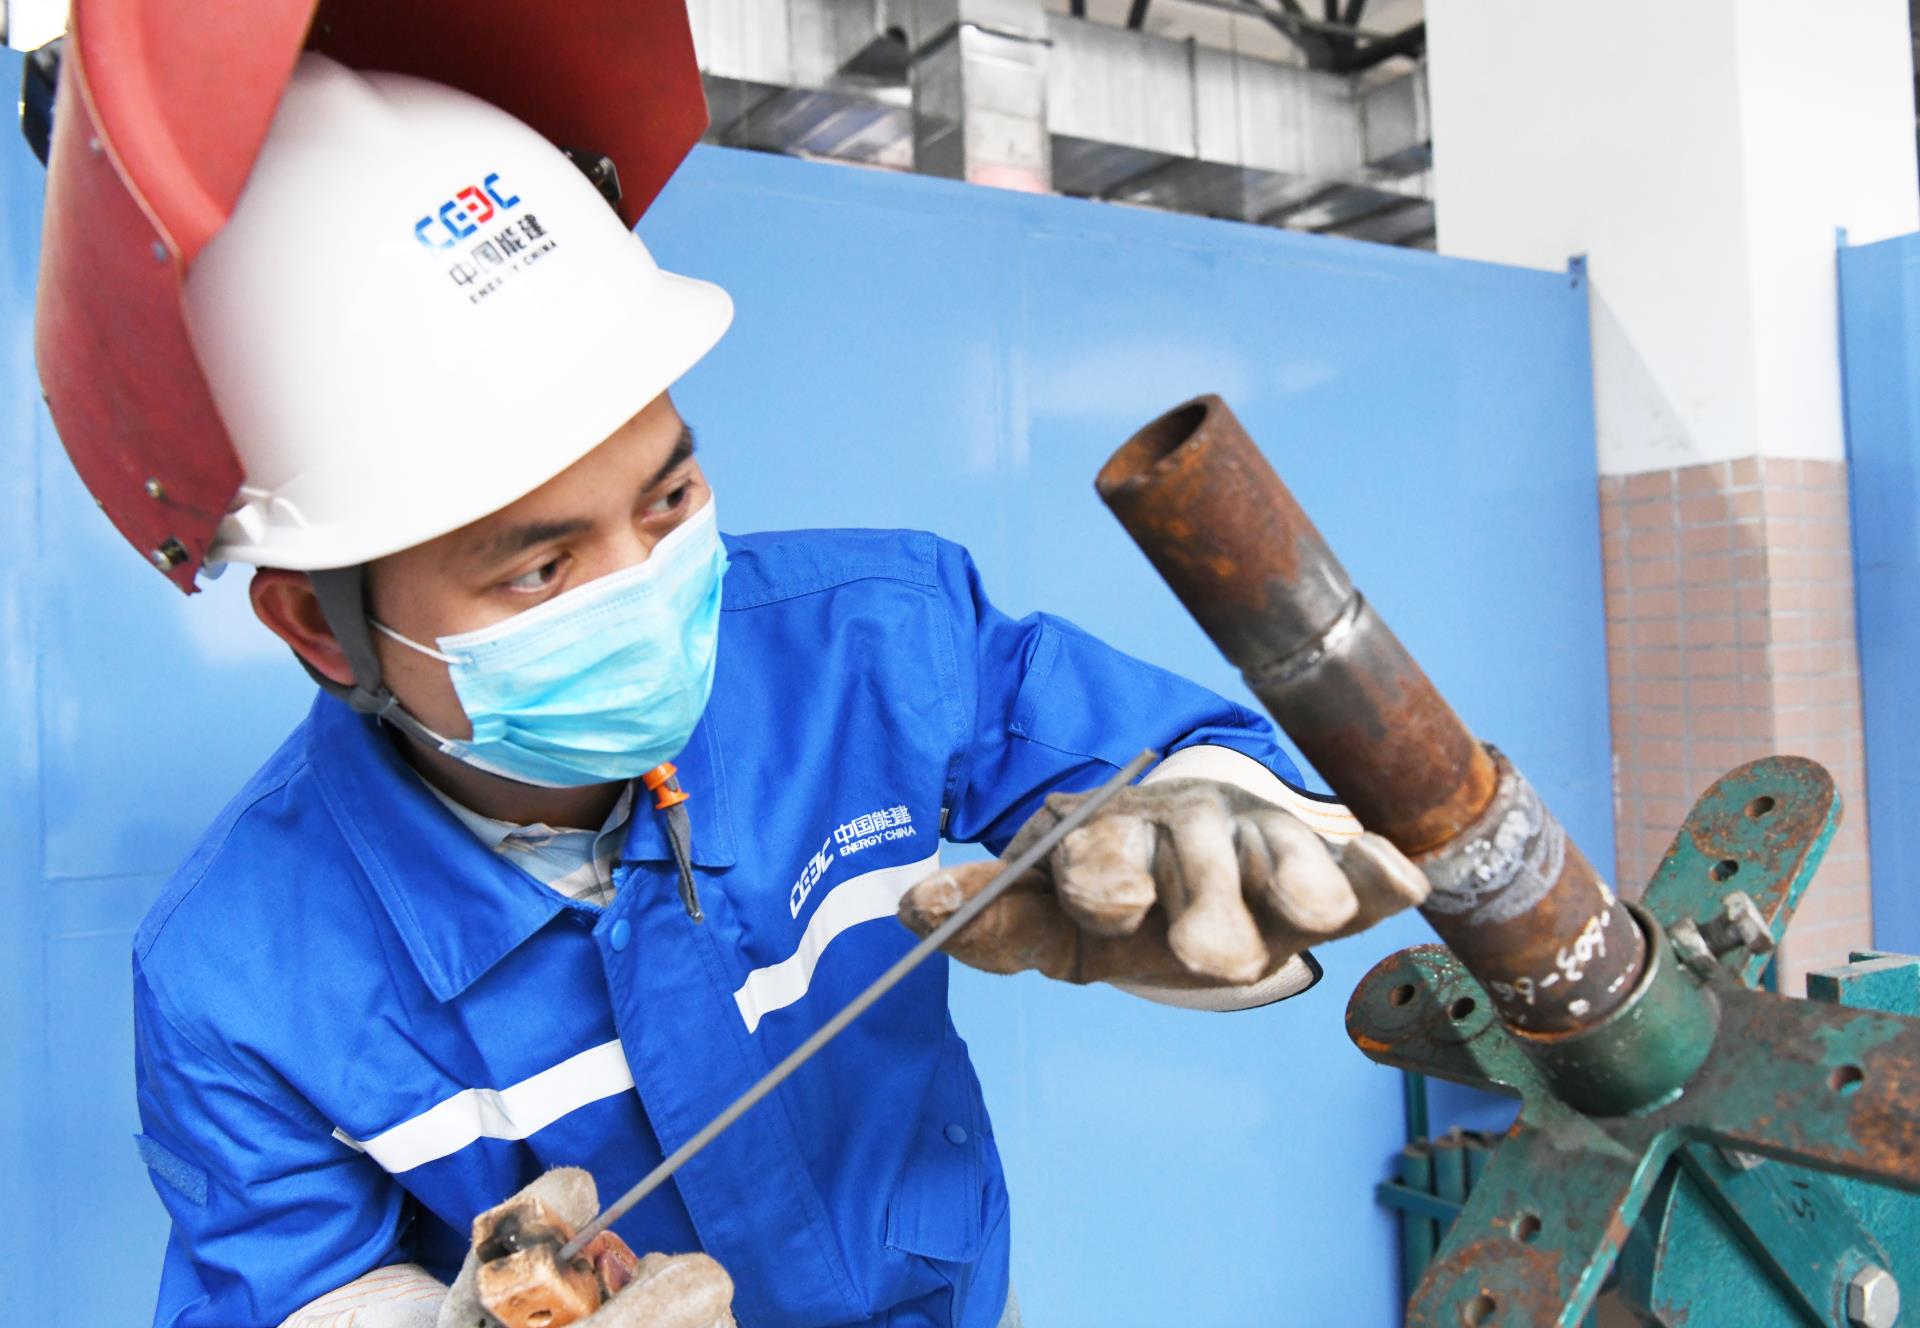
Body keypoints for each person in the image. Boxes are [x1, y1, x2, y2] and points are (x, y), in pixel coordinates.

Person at [107, 54, 1427, 1328]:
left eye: (669, 498)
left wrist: (1219, 845)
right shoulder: (235, 972)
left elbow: (1176, 763)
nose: (646, 586)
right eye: (542, 568)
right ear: (320, 627)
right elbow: (298, 1287)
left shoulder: (870, 638)